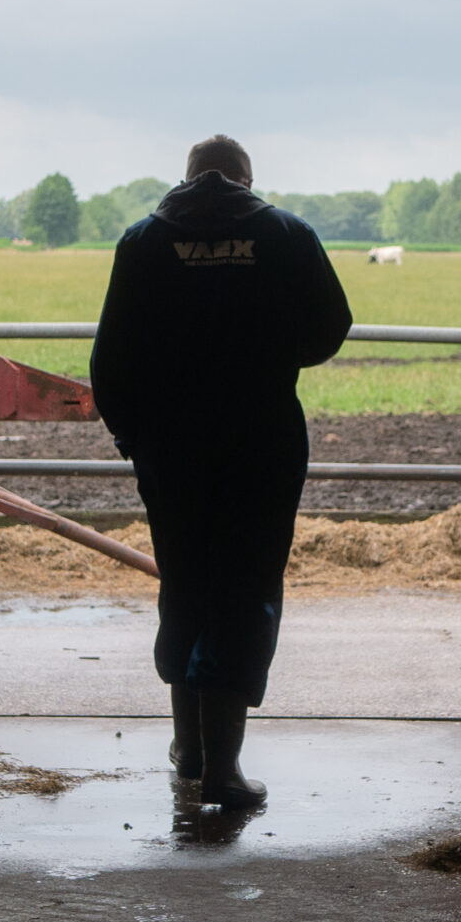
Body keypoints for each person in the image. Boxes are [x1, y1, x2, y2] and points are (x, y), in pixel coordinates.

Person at [89, 136, 354, 807]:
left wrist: (135, 437)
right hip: (259, 442)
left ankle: (190, 747)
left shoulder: (142, 242)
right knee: (245, 589)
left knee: (186, 581)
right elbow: (333, 324)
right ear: (245, 179)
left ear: (187, 179)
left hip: (171, 448)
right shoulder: (286, 234)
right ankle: (223, 770)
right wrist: (268, 356)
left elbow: (109, 359)